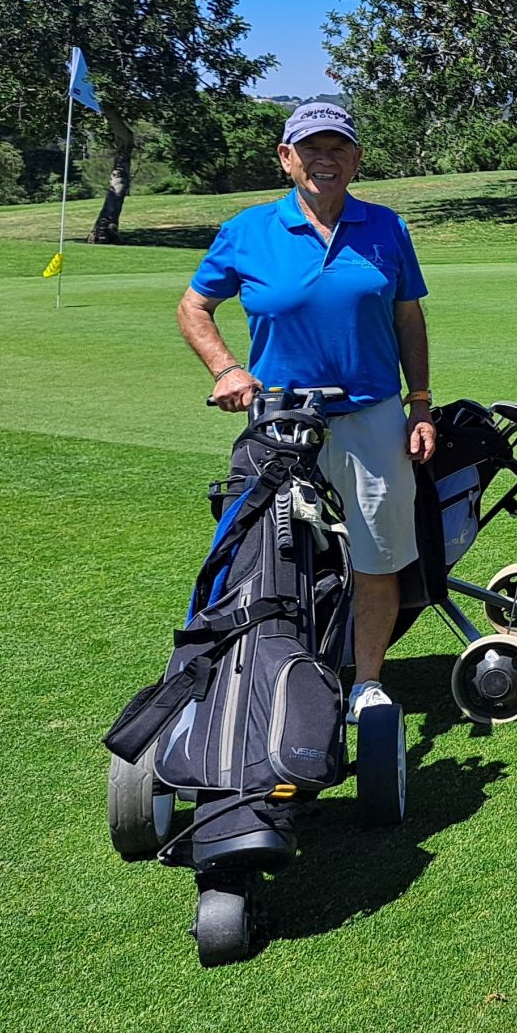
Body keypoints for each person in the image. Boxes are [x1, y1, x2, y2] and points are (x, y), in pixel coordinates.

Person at [175, 101, 436, 716]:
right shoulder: (248, 230)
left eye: (338, 148)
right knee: (271, 556)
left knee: (377, 555)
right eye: (311, 148)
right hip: (280, 422)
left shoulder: (387, 227)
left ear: (357, 159)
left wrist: (420, 403)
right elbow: (193, 307)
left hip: (372, 415)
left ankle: (367, 682)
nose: (326, 159)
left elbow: (408, 318)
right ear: (286, 158)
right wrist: (226, 369)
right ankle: (279, 680)